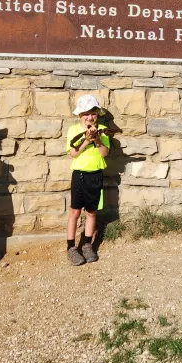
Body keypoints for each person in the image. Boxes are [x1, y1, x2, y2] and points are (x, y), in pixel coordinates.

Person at [66, 95, 110, 265]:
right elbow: (73, 154)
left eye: (93, 113)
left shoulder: (103, 129)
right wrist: (86, 140)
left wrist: (97, 139)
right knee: (75, 212)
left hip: (96, 175)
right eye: (86, 114)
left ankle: (87, 244)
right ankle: (71, 247)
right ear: (80, 115)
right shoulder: (73, 130)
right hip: (80, 175)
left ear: (97, 115)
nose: (89, 117)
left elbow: (104, 153)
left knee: (91, 212)